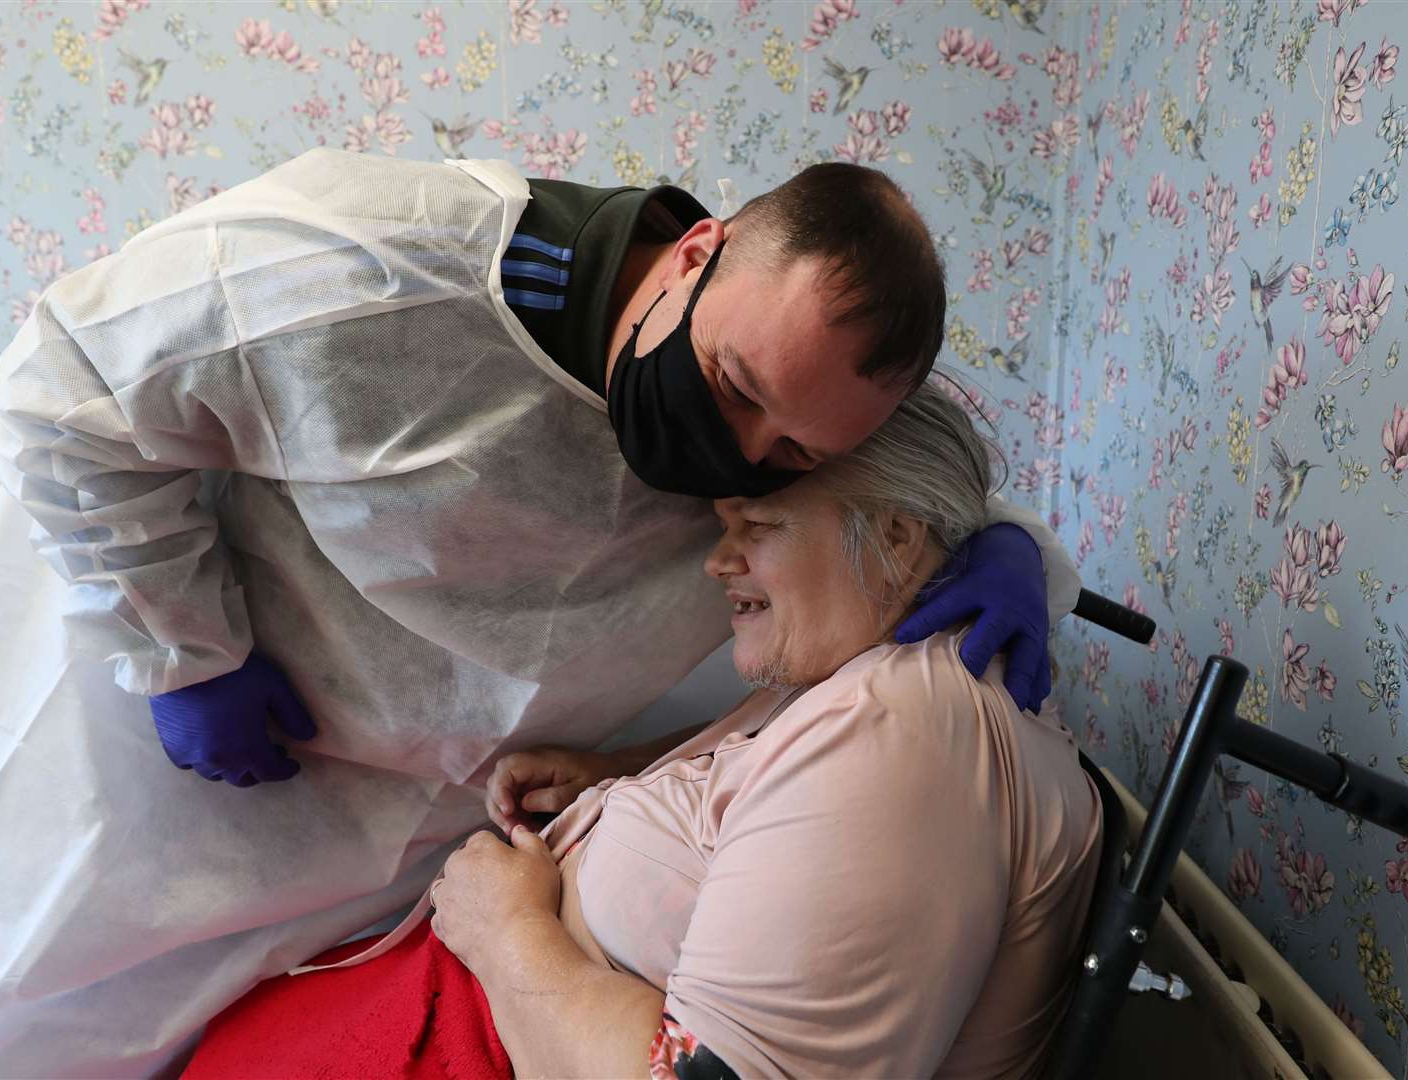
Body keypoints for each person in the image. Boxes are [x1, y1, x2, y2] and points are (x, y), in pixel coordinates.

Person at [0, 149, 1080, 1076]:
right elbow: (64, 387)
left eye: (785, 459)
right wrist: (184, 651)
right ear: (695, 253)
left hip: (387, 861)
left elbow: (910, 507)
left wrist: (1010, 551)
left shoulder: (814, 429)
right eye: (734, 390)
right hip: (154, 775)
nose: (738, 455)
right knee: (7, 1015)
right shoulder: (376, 264)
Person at [183, 384, 1102, 1080]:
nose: (718, 559)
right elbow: (788, 801)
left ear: (900, 538)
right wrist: (620, 777)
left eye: (762, 524)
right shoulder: (869, 671)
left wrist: (506, 934)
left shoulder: (909, 735)